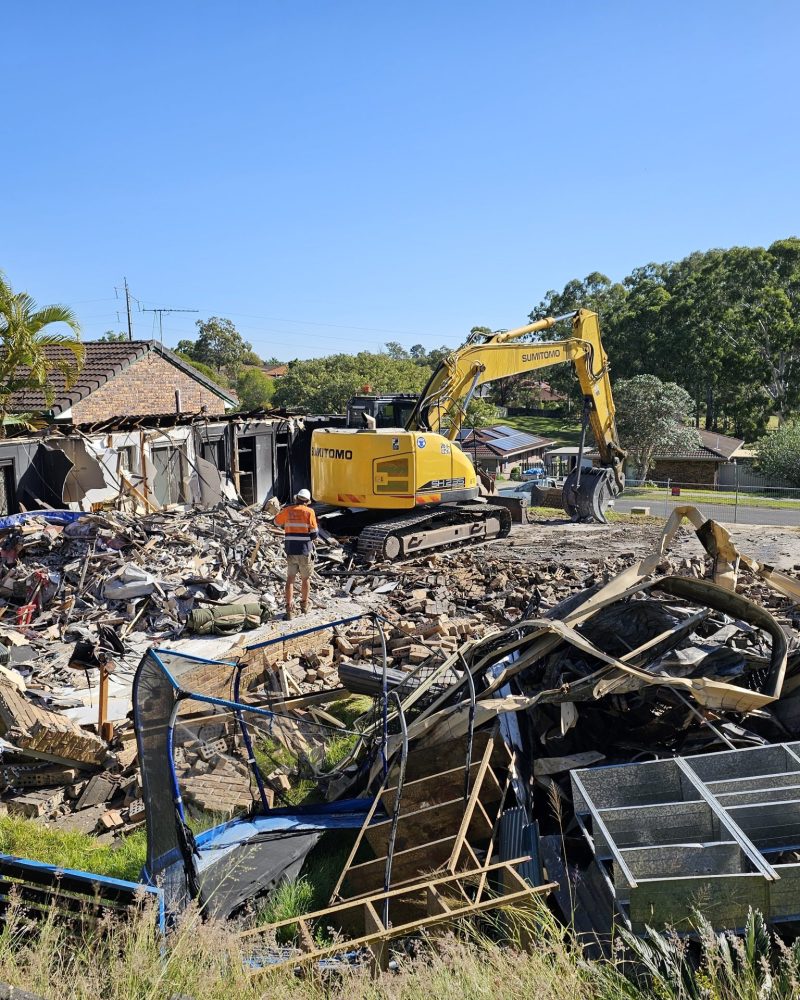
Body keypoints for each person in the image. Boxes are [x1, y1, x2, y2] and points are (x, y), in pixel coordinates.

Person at [274, 488, 318, 619]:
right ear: (307, 501)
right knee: (305, 579)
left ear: (296, 498)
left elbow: (276, 522)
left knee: (290, 580)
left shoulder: (287, 511)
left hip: (291, 550)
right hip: (304, 550)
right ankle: (304, 605)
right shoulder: (309, 512)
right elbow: (315, 533)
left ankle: (289, 609)